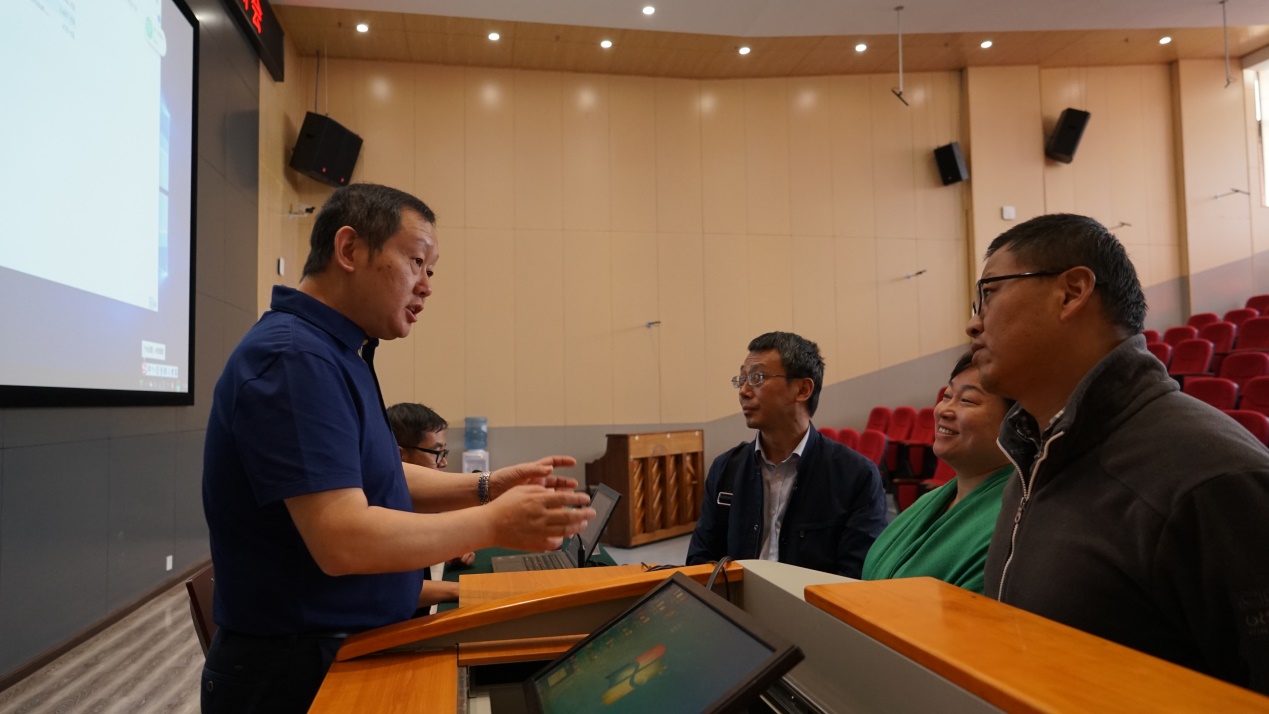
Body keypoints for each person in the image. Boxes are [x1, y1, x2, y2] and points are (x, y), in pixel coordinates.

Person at [200, 183, 595, 713]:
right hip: (298, 670)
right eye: (416, 262)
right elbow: (342, 538)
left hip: (343, 646)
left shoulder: (338, 350)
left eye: (431, 270)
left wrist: (484, 487)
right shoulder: (295, 358)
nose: (426, 287)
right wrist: (493, 523)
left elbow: (370, 473)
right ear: (349, 250)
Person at [968, 213, 1269, 693]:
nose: (973, 323)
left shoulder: (1211, 477)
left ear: (1071, 293)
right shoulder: (1034, 457)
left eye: (989, 293)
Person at [686, 331, 888, 578]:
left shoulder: (856, 476)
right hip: (736, 602)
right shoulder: (727, 468)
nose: (744, 391)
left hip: (812, 603)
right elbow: (700, 561)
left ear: (802, 389)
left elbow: (857, 577)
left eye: (757, 378)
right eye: (742, 379)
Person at [861, 352, 1014, 594]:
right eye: (947, 396)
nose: (944, 410)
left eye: (967, 400)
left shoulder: (1015, 520)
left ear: (1016, 421)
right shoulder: (931, 500)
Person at [387, 401, 475, 609]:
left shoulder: (419, 506)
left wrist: (448, 551)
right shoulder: (386, 511)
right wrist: (465, 590)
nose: (443, 462)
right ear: (399, 455)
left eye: (444, 452)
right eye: (436, 453)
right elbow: (392, 590)